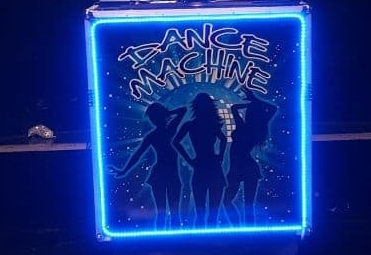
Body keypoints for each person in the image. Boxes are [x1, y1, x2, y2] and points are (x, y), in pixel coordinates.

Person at [112, 103, 186, 228]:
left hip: (169, 175)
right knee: (163, 211)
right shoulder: (157, 134)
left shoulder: (166, 130)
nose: (153, 120)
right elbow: (138, 154)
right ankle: (164, 236)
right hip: (161, 175)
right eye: (152, 118)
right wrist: (124, 171)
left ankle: (173, 236)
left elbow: (183, 110)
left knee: (172, 212)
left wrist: (166, 113)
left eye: (154, 117)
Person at [223, 87, 277, 224]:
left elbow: (234, 108)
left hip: (239, 167)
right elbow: (273, 108)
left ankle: (238, 228)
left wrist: (251, 102)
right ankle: (243, 229)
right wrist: (254, 101)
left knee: (230, 201)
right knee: (247, 204)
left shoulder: (244, 127)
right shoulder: (256, 129)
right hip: (245, 167)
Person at [173, 92, 227, 227]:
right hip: (207, 166)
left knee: (205, 212)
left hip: (205, 165)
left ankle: (206, 236)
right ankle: (205, 236)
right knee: (205, 212)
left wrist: (190, 160)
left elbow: (223, 139)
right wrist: (220, 155)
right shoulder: (201, 125)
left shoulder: (194, 125)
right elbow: (176, 142)